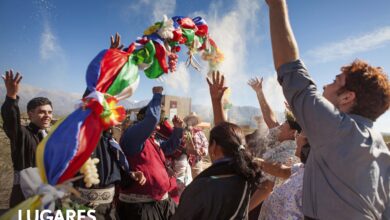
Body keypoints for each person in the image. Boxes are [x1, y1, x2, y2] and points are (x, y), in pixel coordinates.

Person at [265, 0, 390, 219]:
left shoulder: (339, 131)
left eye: (335, 81)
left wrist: (277, 6)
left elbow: (292, 71)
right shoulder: (380, 151)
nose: (325, 85)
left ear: (348, 97)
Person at [172, 71, 272, 220]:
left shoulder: (202, 187)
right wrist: (216, 101)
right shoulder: (248, 177)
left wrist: (216, 101)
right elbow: (225, 137)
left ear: (214, 148)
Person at [118, 86, 184, 220]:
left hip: (161, 203)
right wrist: (157, 95)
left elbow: (170, 147)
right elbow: (151, 120)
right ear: (141, 123)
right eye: (156, 124)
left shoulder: (152, 141)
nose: (159, 127)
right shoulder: (131, 137)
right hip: (141, 208)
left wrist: (177, 129)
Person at [1, 70, 53, 208]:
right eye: (41, 112)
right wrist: (11, 97)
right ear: (30, 114)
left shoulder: (50, 138)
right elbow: (11, 122)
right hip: (24, 198)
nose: (47, 115)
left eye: (49, 112)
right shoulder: (22, 134)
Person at [248, 77, 301, 186]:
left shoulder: (290, 155)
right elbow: (270, 118)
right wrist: (259, 92)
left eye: (282, 126)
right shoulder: (282, 139)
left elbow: (268, 187)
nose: (278, 126)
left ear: (293, 133)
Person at [255, 132, 311, 220]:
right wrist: (254, 161)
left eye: (301, 133)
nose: (296, 136)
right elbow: (282, 171)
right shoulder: (303, 167)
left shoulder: (315, 177)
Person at [183, 112, 209, 178]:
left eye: (194, 119)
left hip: (197, 161)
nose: (192, 121)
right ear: (187, 121)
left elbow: (206, 144)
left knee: (197, 180)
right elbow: (179, 146)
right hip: (184, 161)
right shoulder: (182, 132)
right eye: (190, 119)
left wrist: (204, 151)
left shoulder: (200, 133)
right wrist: (187, 150)